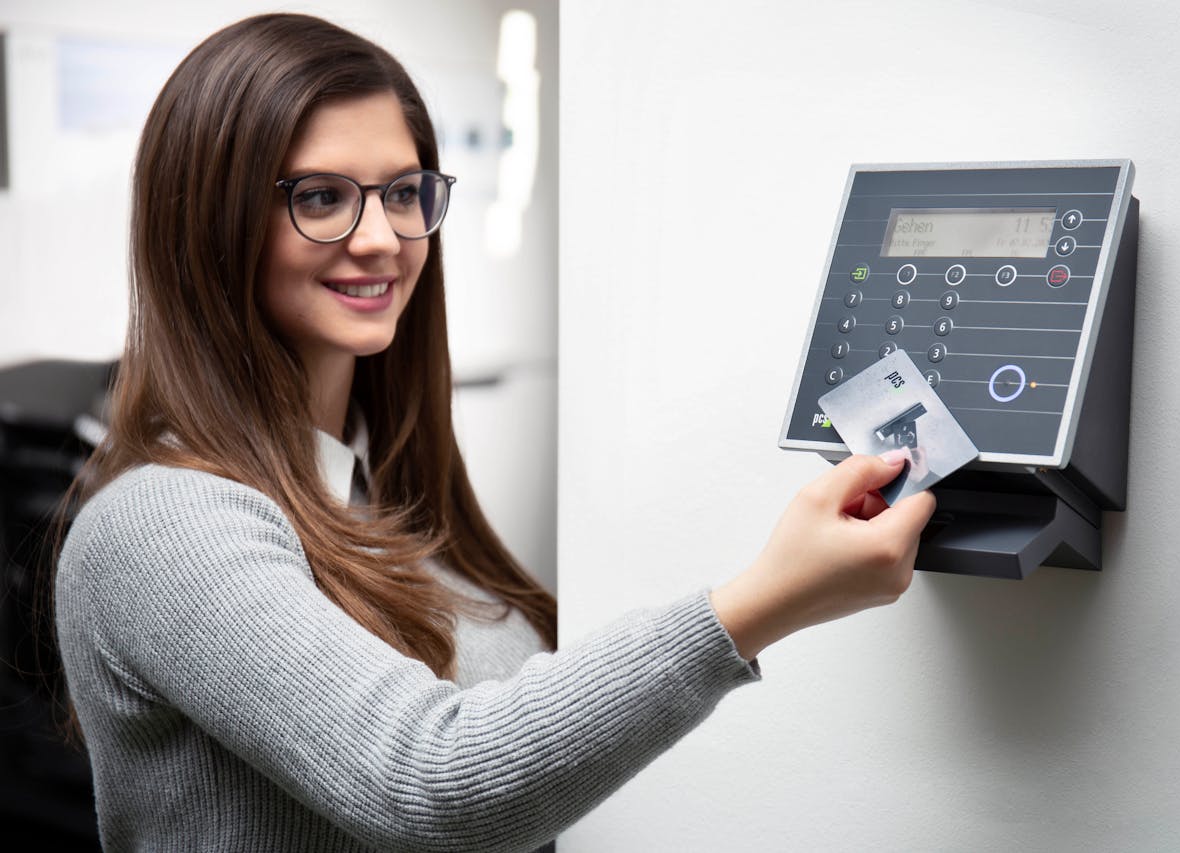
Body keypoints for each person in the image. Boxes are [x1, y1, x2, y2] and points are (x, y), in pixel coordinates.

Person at [53, 13, 935, 852]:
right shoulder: (159, 522)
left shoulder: (383, 498)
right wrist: (759, 605)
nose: (381, 238)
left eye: (404, 192)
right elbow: (430, 785)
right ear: (208, 223)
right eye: (321, 197)